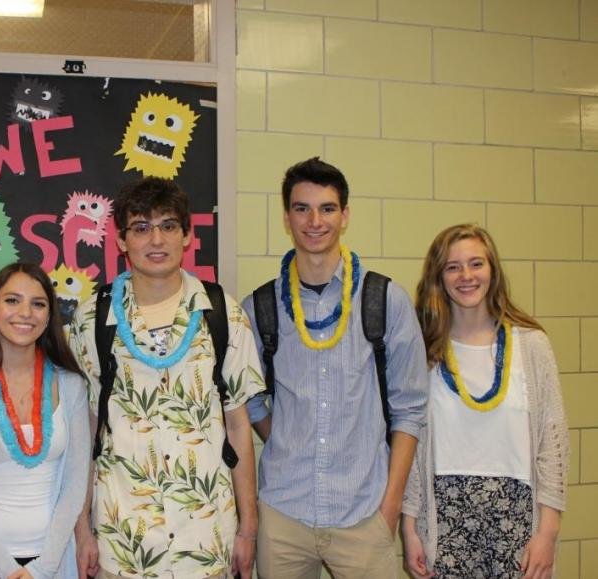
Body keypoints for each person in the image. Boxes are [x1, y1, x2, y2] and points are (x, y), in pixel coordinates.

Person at [68, 177, 265, 579]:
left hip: (208, 540)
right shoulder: (91, 320)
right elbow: (83, 430)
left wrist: (248, 527)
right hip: (123, 543)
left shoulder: (221, 312)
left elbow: (238, 425)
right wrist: (81, 530)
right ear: (121, 240)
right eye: (141, 228)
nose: (155, 239)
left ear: (188, 236)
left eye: (168, 225)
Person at [242, 157, 428, 578]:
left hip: (365, 512)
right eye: (302, 208)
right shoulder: (261, 308)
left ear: (345, 215)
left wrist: (390, 507)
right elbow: (246, 398)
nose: (314, 220)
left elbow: (411, 409)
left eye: (327, 208)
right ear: (287, 216)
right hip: (283, 514)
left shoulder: (385, 300)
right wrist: (287, 437)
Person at [401, 224, 569, 579]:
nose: (466, 276)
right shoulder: (424, 350)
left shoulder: (532, 346)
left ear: (492, 271)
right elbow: (411, 447)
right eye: (453, 267)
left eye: (476, 264)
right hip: (445, 518)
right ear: (439, 277)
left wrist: (548, 533)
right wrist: (410, 527)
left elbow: (553, 447)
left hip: (517, 519)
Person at [0, 262, 90, 579]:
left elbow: (75, 486)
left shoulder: (71, 387)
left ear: (49, 315)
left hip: (52, 563)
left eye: (38, 304)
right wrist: (10, 571)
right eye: (12, 300)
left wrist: (41, 569)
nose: (25, 312)